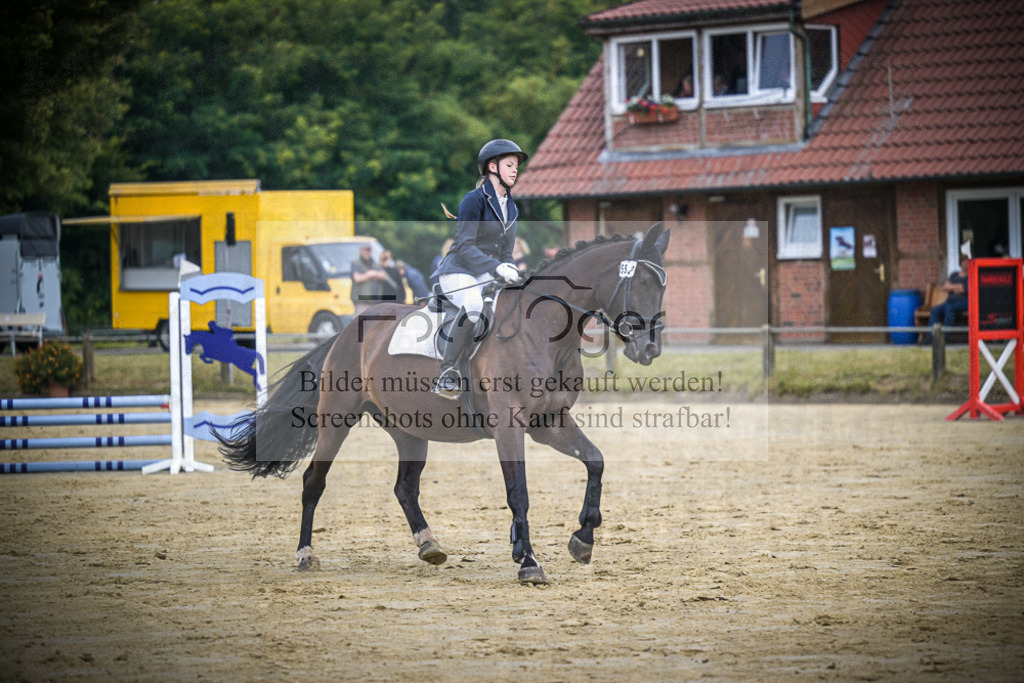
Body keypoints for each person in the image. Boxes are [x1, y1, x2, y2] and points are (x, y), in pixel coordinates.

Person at [430, 138, 528, 399]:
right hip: (458, 270)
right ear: (492, 167)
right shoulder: (474, 200)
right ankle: (447, 371)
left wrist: (513, 270)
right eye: (509, 165)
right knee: (473, 306)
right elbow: (464, 246)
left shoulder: (512, 207)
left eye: (516, 166)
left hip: (486, 272)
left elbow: (506, 252)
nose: (515, 170)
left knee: (514, 300)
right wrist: (498, 268)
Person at [925, 256, 969, 341]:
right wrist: (957, 287)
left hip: (963, 302)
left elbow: (964, 289)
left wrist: (952, 287)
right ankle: (930, 337)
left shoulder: (970, 276)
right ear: (960, 263)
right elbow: (945, 287)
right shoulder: (954, 275)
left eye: (967, 261)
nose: (966, 263)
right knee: (934, 310)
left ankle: (944, 338)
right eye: (964, 261)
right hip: (949, 301)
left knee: (949, 309)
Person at [350, 243, 389, 316]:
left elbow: (384, 276)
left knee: (374, 324)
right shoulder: (356, 263)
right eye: (366, 250)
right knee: (361, 323)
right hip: (361, 301)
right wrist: (369, 275)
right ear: (361, 251)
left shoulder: (375, 263)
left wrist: (374, 273)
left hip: (375, 301)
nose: (367, 252)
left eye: (369, 250)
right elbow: (357, 278)